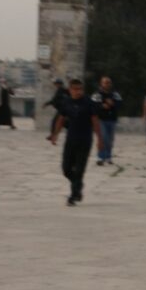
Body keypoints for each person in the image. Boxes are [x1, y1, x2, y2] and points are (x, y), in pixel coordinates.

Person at [47, 78, 98, 206]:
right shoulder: (67, 102)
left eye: (80, 89)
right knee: (66, 168)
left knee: (79, 169)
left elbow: (95, 121)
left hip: (85, 140)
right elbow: (61, 119)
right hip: (71, 140)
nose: (78, 92)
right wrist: (55, 135)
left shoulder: (88, 102)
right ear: (70, 90)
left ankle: (74, 195)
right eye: (75, 89)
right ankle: (78, 185)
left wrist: (100, 140)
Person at [93, 77, 122, 165]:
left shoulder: (115, 94)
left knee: (110, 139)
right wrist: (102, 106)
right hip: (101, 119)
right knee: (103, 138)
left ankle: (108, 156)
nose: (107, 84)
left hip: (112, 119)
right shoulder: (97, 94)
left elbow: (119, 104)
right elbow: (93, 105)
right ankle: (100, 157)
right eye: (105, 82)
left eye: (108, 82)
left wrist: (112, 104)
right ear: (101, 83)